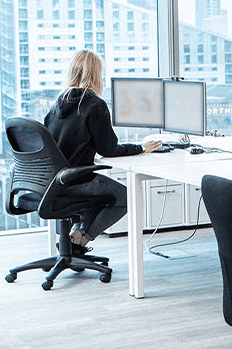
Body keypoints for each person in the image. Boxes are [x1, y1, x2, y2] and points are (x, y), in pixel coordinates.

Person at [43, 49, 162, 254]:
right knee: (126, 197)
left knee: (102, 191)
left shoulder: (56, 105)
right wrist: (141, 148)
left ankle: (76, 237)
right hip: (78, 182)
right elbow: (109, 149)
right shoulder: (94, 105)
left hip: (54, 182)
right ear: (96, 75)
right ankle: (82, 240)